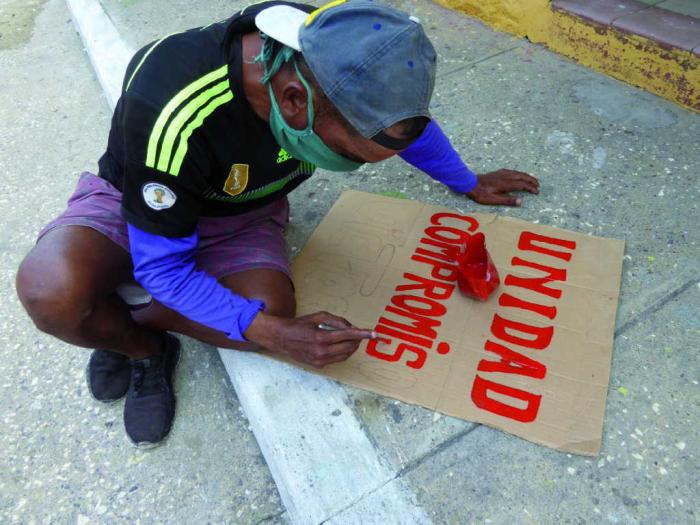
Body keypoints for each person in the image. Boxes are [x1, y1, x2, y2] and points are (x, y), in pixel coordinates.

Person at [15, 0, 539, 447]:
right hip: (138, 204)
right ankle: (141, 346)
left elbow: (401, 126)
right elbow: (166, 268)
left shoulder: (338, 52)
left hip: (243, 214)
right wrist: (277, 336)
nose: (349, 164)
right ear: (293, 101)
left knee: (266, 317)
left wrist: (466, 180)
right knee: (53, 295)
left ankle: (120, 310)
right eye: (343, 153)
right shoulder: (170, 102)